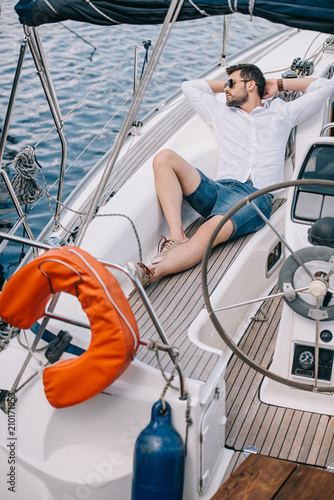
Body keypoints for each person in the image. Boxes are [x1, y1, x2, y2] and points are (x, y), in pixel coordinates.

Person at [128, 63, 334, 285]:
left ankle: (152, 272)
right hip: (219, 189)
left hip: (254, 196)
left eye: (231, 83)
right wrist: (231, 85)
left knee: (208, 230)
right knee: (164, 157)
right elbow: (190, 87)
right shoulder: (220, 113)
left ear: (251, 85)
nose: (226, 88)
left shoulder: (282, 112)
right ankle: (176, 235)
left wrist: (277, 84)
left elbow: (325, 87)